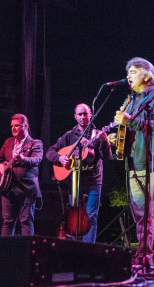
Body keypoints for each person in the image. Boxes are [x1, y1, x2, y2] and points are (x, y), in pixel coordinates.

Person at [109, 57, 154, 269]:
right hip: (135, 163)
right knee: (140, 216)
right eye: (128, 72)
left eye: (134, 71)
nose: (128, 75)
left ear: (147, 75)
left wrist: (131, 122)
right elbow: (132, 131)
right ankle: (143, 258)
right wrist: (117, 137)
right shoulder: (131, 100)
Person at [45, 103, 112, 243]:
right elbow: (50, 152)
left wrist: (104, 142)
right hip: (75, 182)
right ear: (75, 116)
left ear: (91, 115)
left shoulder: (97, 134)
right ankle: (76, 248)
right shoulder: (69, 136)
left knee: (91, 216)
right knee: (74, 217)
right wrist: (59, 158)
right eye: (80, 114)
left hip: (94, 181)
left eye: (85, 114)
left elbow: (107, 157)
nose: (83, 117)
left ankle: (89, 250)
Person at [0, 113, 43, 236]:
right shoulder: (8, 142)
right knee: (7, 222)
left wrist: (22, 159)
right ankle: (6, 253)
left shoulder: (36, 143)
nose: (13, 128)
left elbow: (37, 160)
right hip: (8, 188)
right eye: (12, 126)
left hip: (27, 189)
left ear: (26, 126)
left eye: (17, 126)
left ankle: (26, 253)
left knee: (25, 221)